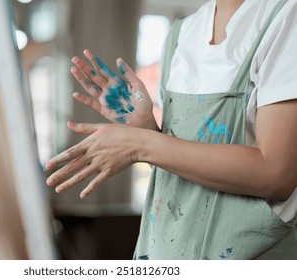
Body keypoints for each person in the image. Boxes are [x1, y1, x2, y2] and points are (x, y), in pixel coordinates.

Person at [46, 0, 297, 259]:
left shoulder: (285, 17)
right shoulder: (181, 33)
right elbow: (186, 165)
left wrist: (141, 144)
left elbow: (275, 174)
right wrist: (149, 130)